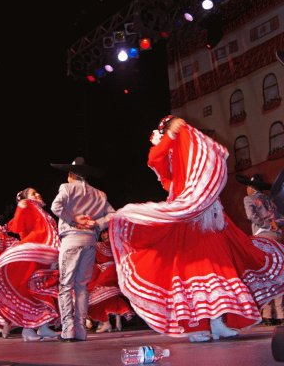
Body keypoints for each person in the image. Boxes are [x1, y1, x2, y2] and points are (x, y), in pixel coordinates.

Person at [109, 115, 284, 343]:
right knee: (192, 272)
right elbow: (155, 160)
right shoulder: (167, 150)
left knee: (221, 268)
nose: (182, 129)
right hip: (186, 219)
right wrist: (170, 136)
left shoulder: (195, 152)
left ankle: (218, 322)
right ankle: (196, 326)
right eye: (175, 127)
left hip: (210, 218)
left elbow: (210, 167)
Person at [50, 157, 116, 342]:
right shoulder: (99, 194)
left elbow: (56, 206)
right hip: (89, 242)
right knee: (81, 287)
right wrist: (96, 223)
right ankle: (80, 330)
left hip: (71, 239)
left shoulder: (67, 188)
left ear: (71, 175)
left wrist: (74, 219)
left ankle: (68, 330)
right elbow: (113, 214)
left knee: (65, 286)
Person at [0, 188, 60, 341]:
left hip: (45, 253)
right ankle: (28, 330)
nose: (37, 194)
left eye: (37, 192)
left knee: (43, 287)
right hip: (33, 251)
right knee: (31, 287)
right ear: (25, 197)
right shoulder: (27, 206)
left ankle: (43, 327)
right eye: (33, 193)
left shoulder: (43, 211)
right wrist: (20, 207)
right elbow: (17, 226)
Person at [236, 173, 284, 326]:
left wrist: (266, 226)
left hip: (262, 237)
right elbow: (281, 216)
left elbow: (251, 216)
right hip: (276, 236)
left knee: (263, 274)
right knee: (277, 272)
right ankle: (280, 313)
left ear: (251, 187)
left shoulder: (248, 199)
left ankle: (268, 314)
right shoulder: (270, 199)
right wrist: (275, 225)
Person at [87, 229, 134, 333]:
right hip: (106, 273)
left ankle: (107, 322)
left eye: (107, 232)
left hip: (114, 273)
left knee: (100, 294)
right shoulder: (99, 246)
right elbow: (93, 262)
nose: (105, 235)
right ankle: (111, 322)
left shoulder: (117, 244)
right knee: (105, 295)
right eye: (103, 233)